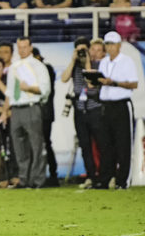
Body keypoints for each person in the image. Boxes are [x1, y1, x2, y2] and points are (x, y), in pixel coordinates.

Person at [0, 37, 51, 188]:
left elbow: (45, 90)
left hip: (31, 106)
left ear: (30, 47)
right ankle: (24, 179)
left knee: (36, 146)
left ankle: (37, 180)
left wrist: (28, 88)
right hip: (16, 110)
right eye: (19, 47)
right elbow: (9, 92)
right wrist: (4, 111)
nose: (22, 50)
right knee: (19, 148)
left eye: (24, 47)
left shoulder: (38, 66)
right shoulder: (14, 67)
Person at [94, 31, 138, 189]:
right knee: (105, 144)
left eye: (112, 44)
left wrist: (114, 83)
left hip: (121, 104)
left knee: (123, 144)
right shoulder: (104, 62)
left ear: (119, 45)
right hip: (106, 104)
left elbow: (133, 84)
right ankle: (106, 179)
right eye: (108, 44)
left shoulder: (127, 61)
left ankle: (122, 180)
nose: (110, 47)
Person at [60, 37, 103, 189]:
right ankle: (91, 176)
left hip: (94, 108)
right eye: (79, 51)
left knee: (100, 143)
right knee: (84, 144)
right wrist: (73, 61)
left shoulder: (96, 64)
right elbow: (64, 78)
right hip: (79, 109)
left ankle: (104, 175)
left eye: (84, 50)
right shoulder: (74, 67)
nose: (82, 54)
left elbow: (91, 83)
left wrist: (87, 62)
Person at [31, 47, 57, 186]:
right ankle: (38, 174)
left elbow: (45, 89)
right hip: (36, 112)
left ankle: (52, 174)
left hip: (45, 113)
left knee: (45, 143)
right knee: (37, 144)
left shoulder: (47, 69)